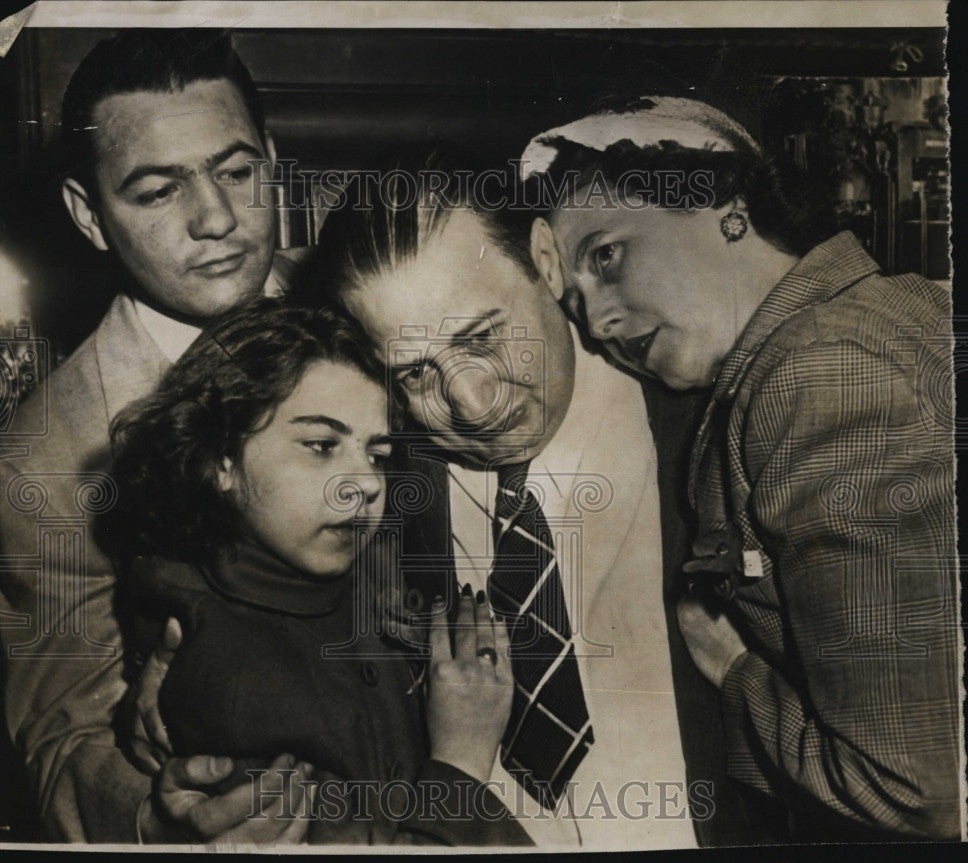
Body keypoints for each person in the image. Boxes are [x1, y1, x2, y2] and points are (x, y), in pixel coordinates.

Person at [520, 95, 962, 841]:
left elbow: (918, 788)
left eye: (607, 256)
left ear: (723, 202)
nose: (597, 324)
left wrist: (732, 671)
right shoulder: (881, 312)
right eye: (576, 302)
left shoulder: (819, 375)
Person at [288, 148, 698, 850]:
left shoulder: (704, 429)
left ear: (545, 259)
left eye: (483, 337)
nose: (472, 403)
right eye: (417, 373)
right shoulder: (376, 493)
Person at [0, 30, 309, 842]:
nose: (216, 219)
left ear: (271, 159)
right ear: (87, 215)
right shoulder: (46, 455)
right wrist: (160, 813)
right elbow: (64, 734)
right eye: (158, 191)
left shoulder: (366, 305)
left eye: (236, 171)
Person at [107, 298, 527, 845]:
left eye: (376, 454)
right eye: (321, 446)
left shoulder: (337, 555)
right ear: (219, 462)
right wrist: (461, 761)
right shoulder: (227, 686)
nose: (368, 482)